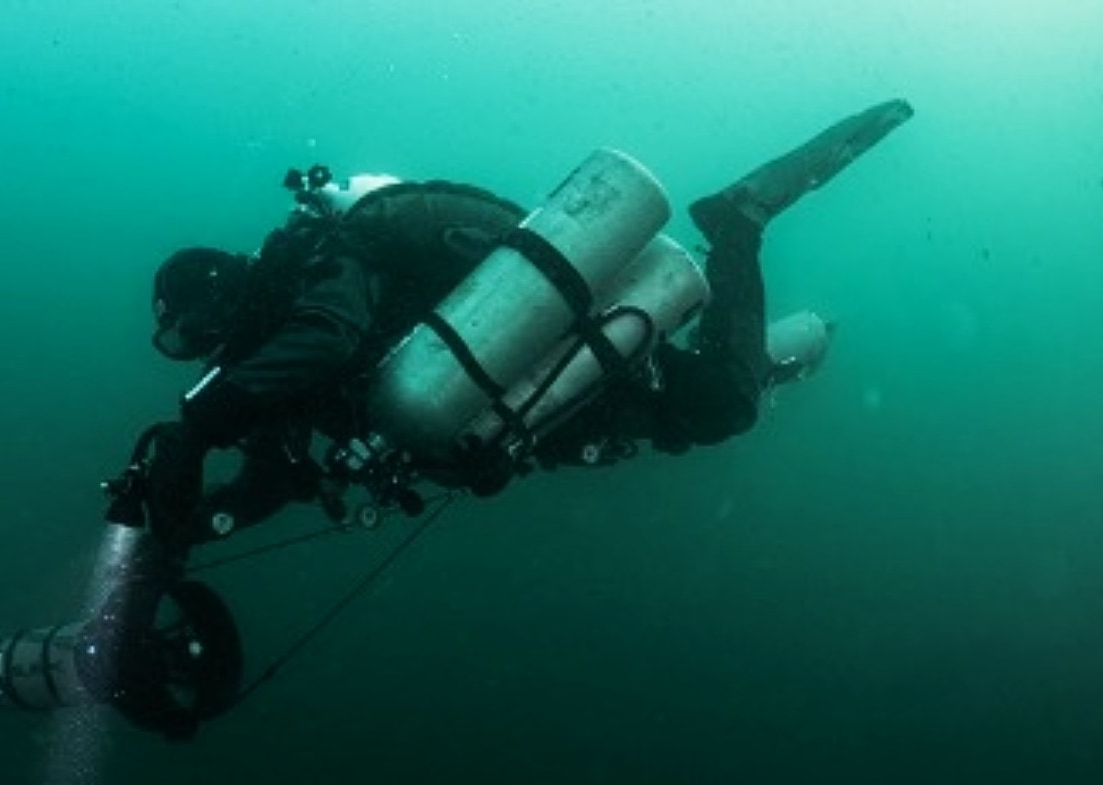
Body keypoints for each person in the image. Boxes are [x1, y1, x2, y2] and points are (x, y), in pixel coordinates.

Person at [139, 99, 915, 564]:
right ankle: (791, 346)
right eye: (183, 349)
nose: (201, 351)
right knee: (694, 408)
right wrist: (200, 523)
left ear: (223, 294)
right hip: (525, 401)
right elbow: (275, 476)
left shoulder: (324, 264)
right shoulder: (268, 371)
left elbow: (331, 336)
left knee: (723, 406)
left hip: (548, 353)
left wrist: (200, 423)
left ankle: (738, 223)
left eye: (194, 333)